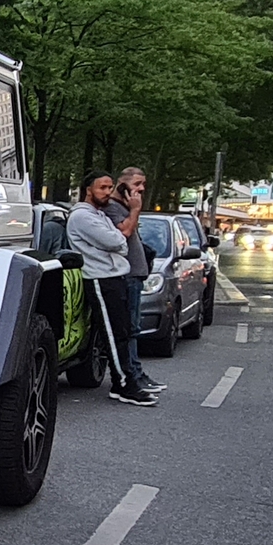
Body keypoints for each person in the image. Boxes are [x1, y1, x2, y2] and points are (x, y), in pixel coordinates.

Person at [67, 170, 155, 407]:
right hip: (100, 279)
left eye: (109, 187)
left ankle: (123, 382)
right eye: (102, 188)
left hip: (114, 277)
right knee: (114, 334)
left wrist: (119, 240)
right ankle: (125, 384)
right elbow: (118, 241)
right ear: (88, 190)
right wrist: (134, 210)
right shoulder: (83, 217)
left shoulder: (98, 214)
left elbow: (122, 244)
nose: (107, 192)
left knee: (123, 333)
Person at [102, 167, 166, 394]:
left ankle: (136, 372)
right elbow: (124, 233)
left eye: (143, 184)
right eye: (137, 184)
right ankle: (129, 375)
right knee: (128, 328)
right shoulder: (113, 208)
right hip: (126, 276)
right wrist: (135, 210)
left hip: (134, 276)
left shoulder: (123, 208)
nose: (141, 189)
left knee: (133, 328)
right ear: (123, 184)